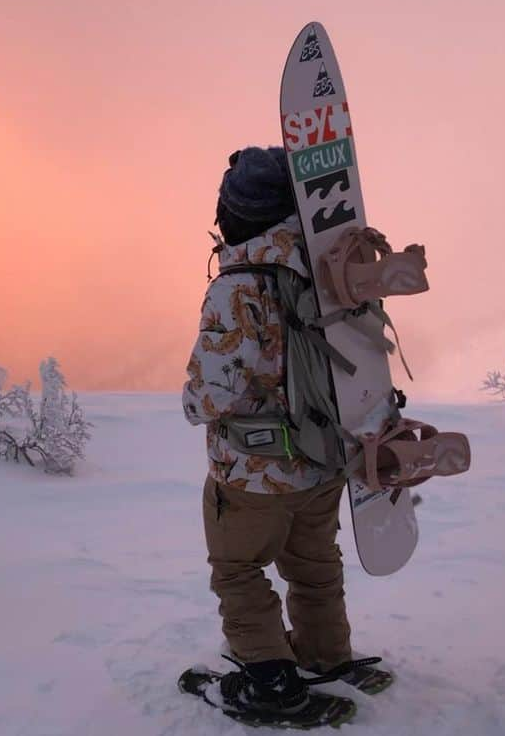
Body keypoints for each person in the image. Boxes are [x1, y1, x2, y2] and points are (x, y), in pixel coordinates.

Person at [181, 146, 389, 717]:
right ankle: (327, 657)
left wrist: (191, 400)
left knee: (239, 568)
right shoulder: (332, 273)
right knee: (315, 563)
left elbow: (210, 394)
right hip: (324, 458)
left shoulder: (238, 286)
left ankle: (270, 681)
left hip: (254, 470)